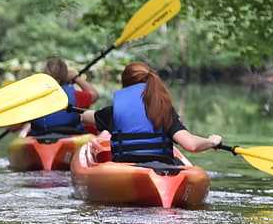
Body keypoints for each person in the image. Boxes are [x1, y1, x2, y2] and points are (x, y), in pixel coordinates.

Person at [87, 61, 223, 164]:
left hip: (124, 167)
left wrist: (88, 113)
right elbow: (191, 145)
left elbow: (84, 117)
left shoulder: (113, 112)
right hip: (161, 167)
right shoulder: (164, 110)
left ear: (124, 84)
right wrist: (211, 141)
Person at [23, 56, 96, 138]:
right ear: (65, 76)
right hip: (71, 134)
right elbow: (94, 95)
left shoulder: (31, 98)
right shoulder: (75, 95)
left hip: (40, 136)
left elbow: (14, 128)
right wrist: (76, 78)